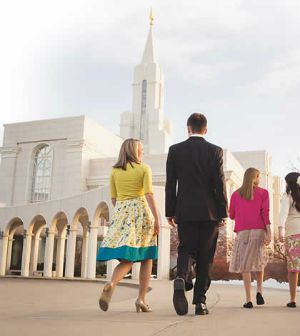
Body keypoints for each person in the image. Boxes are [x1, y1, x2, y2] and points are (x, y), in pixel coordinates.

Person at [165, 113, 228, 316]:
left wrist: (170, 211)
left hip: (185, 210)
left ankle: (181, 277)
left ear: (188, 128)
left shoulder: (175, 150)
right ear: (206, 129)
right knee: (205, 257)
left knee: (186, 249)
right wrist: (223, 211)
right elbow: (220, 184)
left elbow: (170, 184)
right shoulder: (215, 151)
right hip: (209, 213)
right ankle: (200, 303)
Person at [97, 138, 160, 312]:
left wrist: (123, 213)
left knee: (128, 259)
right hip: (141, 213)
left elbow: (114, 198)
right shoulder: (144, 168)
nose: (143, 152)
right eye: (141, 149)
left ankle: (112, 282)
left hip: (122, 212)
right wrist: (157, 218)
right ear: (134, 151)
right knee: (147, 256)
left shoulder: (114, 171)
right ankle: (141, 299)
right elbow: (149, 194)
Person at [229, 168, 271, 308]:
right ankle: (259, 290)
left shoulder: (236, 194)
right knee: (258, 260)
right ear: (256, 177)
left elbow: (231, 215)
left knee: (245, 265)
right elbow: (265, 213)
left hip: (243, 232)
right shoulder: (263, 193)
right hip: (259, 230)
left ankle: (249, 299)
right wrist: (269, 232)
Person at [278, 172, 300, 308]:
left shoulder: (287, 195)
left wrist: (281, 229)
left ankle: (292, 300)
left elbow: (283, 213)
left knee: (293, 269)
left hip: (292, 234)